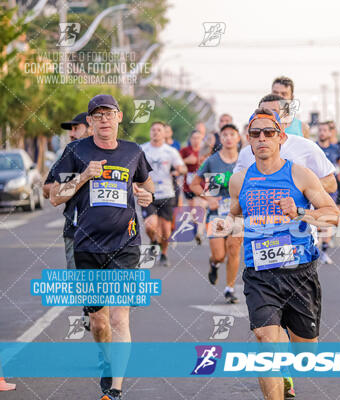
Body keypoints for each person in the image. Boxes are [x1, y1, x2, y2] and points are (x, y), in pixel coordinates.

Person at [217, 108, 339, 400]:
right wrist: (227, 224)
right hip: (260, 274)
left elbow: (332, 215)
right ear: (248, 139)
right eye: (256, 133)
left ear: (281, 137)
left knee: (306, 353)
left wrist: (299, 211)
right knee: (266, 342)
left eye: (269, 133)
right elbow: (235, 215)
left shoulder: (299, 174)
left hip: (299, 273)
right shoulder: (240, 180)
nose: (262, 139)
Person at [49, 94, 154, 400]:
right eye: (98, 115)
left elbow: (147, 186)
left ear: (119, 118)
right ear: (91, 121)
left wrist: (146, 196)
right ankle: (106, 360)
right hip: (87, 245)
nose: (104, 119)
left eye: (110, 114)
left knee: (120, 317)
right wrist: (84, 176)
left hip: (126, 244)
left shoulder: (133, 152)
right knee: (98, 319)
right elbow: (56, 196)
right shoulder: (75, 151)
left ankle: (116, 389)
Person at [234, 94, 337, 194]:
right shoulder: (246, 153)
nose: (268, 118)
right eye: (263, 113)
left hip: (298, 211)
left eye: (274, 113)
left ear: (286, 119)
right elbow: (236, 187)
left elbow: (332, 183)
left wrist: (299, 188)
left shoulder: (307, 147)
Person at [190, 124, 243, 303]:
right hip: (217, 213)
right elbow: (194, 184)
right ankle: (214, 264)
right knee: (220, 254)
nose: (228, 138)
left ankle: (229, 288)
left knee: (234, 249)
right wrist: (207, 198)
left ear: (238, 138)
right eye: (225, 135)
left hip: (238, 214)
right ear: (220, 138)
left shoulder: (244, 161)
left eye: (232, 134)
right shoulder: (212, 161)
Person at [43, 112, 92, 269]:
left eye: (76, 128)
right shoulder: (69, 155)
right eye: (70, 130)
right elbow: (47, 189)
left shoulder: (109, 152)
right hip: (75, 229)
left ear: (91, 128)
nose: (71, 134)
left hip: (109, 233)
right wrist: (77, 182)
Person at [141, 121, 187, 267]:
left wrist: (179, 170)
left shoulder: (170, 151)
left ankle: (164, 253)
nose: (156, 132)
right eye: (153, 130)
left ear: (164, 133)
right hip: (148, 193)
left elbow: (184, 168)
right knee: (150, 226)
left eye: (159, 130)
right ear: (150, 132)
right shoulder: (143, 149)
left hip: (167, 193)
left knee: (166, 232)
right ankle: (153, 241)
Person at [316, 122, 340, 264]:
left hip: (331, 190)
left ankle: (323, 252)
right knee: (315, 222)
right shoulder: (313, 147)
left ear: (330, 133)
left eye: (324, 130)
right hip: (314, 189)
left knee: (327, 222)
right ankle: (314, 249)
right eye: (320, 130)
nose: (322, 132)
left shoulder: (335, 149)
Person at [326, 121, 340, 216]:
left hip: (339, 176)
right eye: (329, 128)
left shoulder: (339, 145)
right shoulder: (322, 145)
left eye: (332, 128)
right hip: (327, 177)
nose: (331, 130)